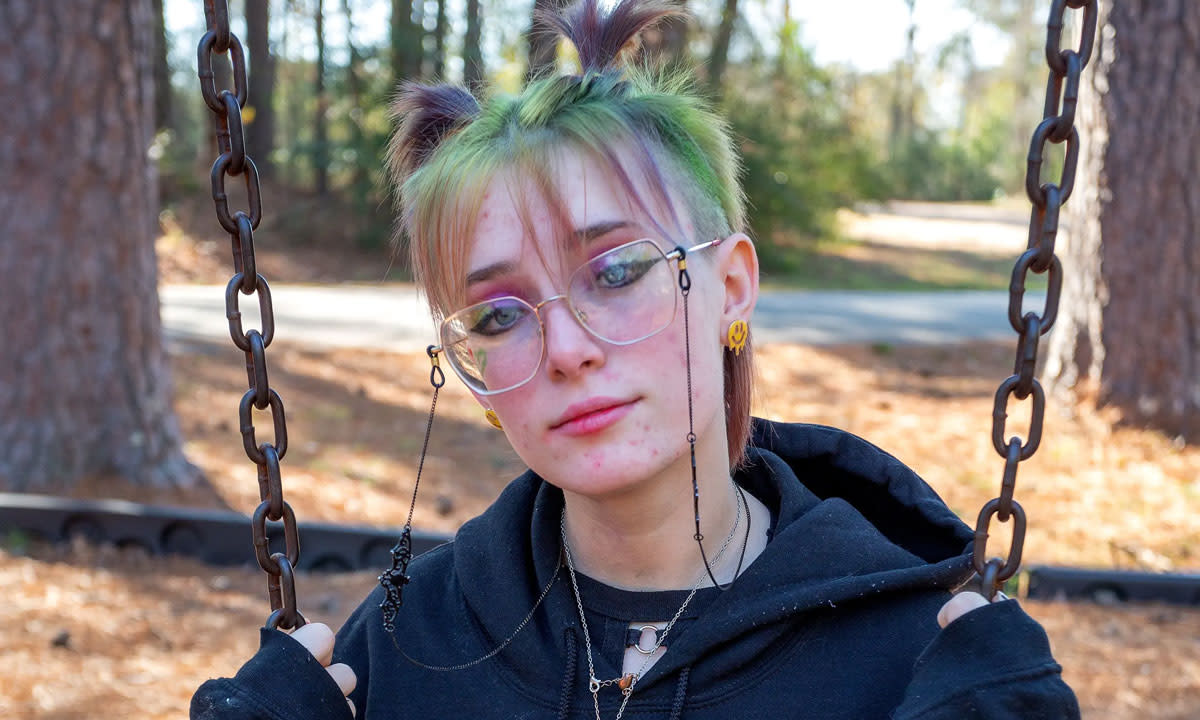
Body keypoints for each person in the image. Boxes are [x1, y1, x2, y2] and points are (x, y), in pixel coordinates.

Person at [191, 0, 1080, 717]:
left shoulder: (916, 656)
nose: (568, 350)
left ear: (731, 286)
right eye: (497, 317)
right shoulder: (405, 644)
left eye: (616, 271)